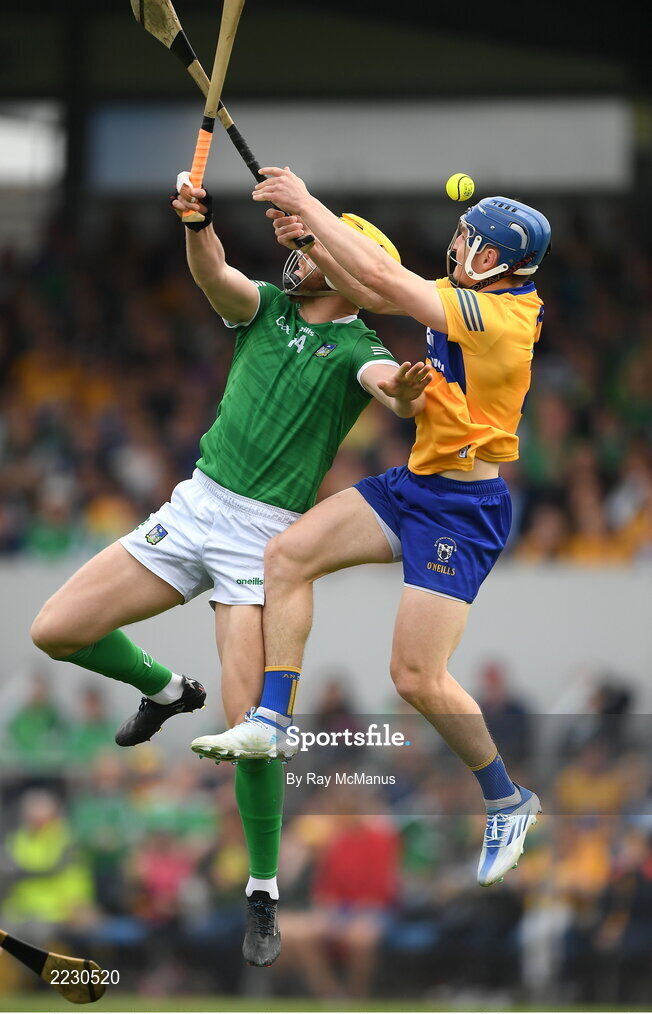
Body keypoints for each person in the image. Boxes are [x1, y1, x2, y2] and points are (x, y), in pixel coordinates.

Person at [30, 174, 431, 965]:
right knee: (56, 630)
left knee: (252, 730)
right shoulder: (268, 309)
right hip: (195, 507)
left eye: (324, 244)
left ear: (350, 271)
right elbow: (213, 270)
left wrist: (412, 393)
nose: (306, 251)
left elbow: (393, 391)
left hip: (262, 542)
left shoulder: (361, 346)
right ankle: (165, 690)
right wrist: (196, 223)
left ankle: (262, 891)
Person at [194, 167, 551, 888]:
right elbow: (370, 280)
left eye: (471, 242)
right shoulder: (468, 294)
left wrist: (307, 207)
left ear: (500, 262)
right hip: (412, 484)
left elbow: (386, 287)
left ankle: (509, 800)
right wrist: (310, 240)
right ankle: (273, 719)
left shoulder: (504, 316)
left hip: (464, 509)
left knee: (416, 677)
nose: (457, 246)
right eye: (460, 233)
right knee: (287, 555)